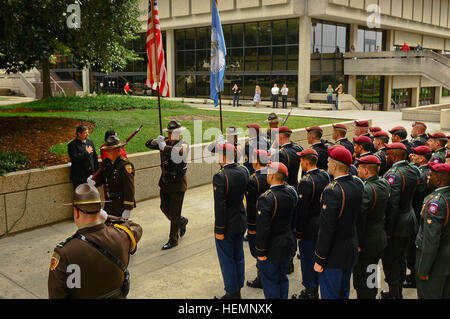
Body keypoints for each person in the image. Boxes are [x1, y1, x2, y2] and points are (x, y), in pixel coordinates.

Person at [48, 183, 143, 298]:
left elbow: (57, 295)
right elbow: (136, 227)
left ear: (76, 212)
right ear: (100, 210)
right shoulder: (122, 236)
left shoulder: (65, 252)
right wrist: (108, 217)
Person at [313, 146, 364, 299]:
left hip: (334, 254)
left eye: (328, 162)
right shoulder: (357, 184)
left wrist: (319, 258)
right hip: (350, 248)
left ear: (335, 165)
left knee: (330, 294)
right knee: (343, 293)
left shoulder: (332, 191)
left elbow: (327, 228)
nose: (327, 164)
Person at [379, 143, 421, 299]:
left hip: (397, 225)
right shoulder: (411, 169)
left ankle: (394, 294)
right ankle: (397, 291)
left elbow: (393, 206)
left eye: (388, 154)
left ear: (394, 156)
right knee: (401, 258)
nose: (386, 156)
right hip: (409, 220)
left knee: (391, 260)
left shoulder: (394, 174)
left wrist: (388, 231)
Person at [292, 149, 331, 300]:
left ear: (306, 162)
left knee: (308, 260)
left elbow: (302, 210)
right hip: (321, 223)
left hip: (309, 228)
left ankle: (310, 292)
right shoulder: (324, 175)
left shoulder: (306, 181)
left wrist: (299, 232)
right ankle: (315, 288)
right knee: (318, 259)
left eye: (301, 160)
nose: (300, 163)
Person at [213, 143, 250, 299]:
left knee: (227, 260)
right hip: (240, 221)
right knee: (238, 256)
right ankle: (238, 288)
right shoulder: (243, 171)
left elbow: (220, 207)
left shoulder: (220, 177)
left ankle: (231, 292)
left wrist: (219, 229)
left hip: (227, 225)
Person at [255, 162, 298, 299]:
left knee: (271, 283)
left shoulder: (267, 198)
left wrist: (261, 251)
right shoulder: (291, 192)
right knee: (282, 279)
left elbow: (263, 229)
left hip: (272, 248)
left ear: (272, 176)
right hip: (287, 243)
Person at [145, 120, 190, 250]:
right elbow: (147, 144)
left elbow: (178, 153)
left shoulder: (183, 144)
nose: (170, 135)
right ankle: (181, 221)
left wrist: (164, 147)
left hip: (177, 183)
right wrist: (155, 142)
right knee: (164, 207)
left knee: (174, 212)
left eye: (173, 133)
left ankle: (173, 239)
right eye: (169, 133)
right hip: (165, 181)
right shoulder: (165, 141)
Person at [353, 155, 390, 299]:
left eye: (360, 168)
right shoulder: (384, 183)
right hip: (379, 237)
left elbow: (360, 220)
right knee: (373, 273)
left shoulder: (366, 189)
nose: (357, 170)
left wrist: (358, 243)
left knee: (362, 280)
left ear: (366, 171)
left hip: (367, 242)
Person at [415, 162, 450, 299]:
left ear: (439, 180)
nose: (428, 178)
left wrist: (423, 269)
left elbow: (431, 241)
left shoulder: (435, 203)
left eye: (431, 175)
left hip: (435, 265)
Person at [404, 145, 433, 288]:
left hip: (417, 214)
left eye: (415, 155)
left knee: (413, 250)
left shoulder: (420, 174)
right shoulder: (430, 171)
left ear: (421, 159)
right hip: (421, 214)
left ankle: (414, 277)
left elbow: (416, 197)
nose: (412, 156)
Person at [91, 135, 135, 219]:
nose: (106, 152)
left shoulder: (125, 165)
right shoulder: (108, 163)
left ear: (117, 150)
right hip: (110, 202)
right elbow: (104, 179)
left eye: (109, 150)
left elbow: (129, 188)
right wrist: (94, 182)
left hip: (120, 204)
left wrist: (128, 208)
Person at [245, 149, 271, 289]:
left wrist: (251, 227)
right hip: (271, 222)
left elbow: (250, 206)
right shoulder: (274, 175)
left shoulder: (253, 180)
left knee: (258, 251)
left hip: (257, 223)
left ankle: (261, 278)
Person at [68, 125, 99, 190]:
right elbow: (75, 158)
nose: (87, 134)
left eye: (87, 132)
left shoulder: (90, 142)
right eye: (85, 133)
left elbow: (94, 158)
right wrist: (86, 153)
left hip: (91, 176)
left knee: (92, 196)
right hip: (79, 177)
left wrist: (96, 173)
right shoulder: (72, 145)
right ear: (79, 134)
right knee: (82, 198)